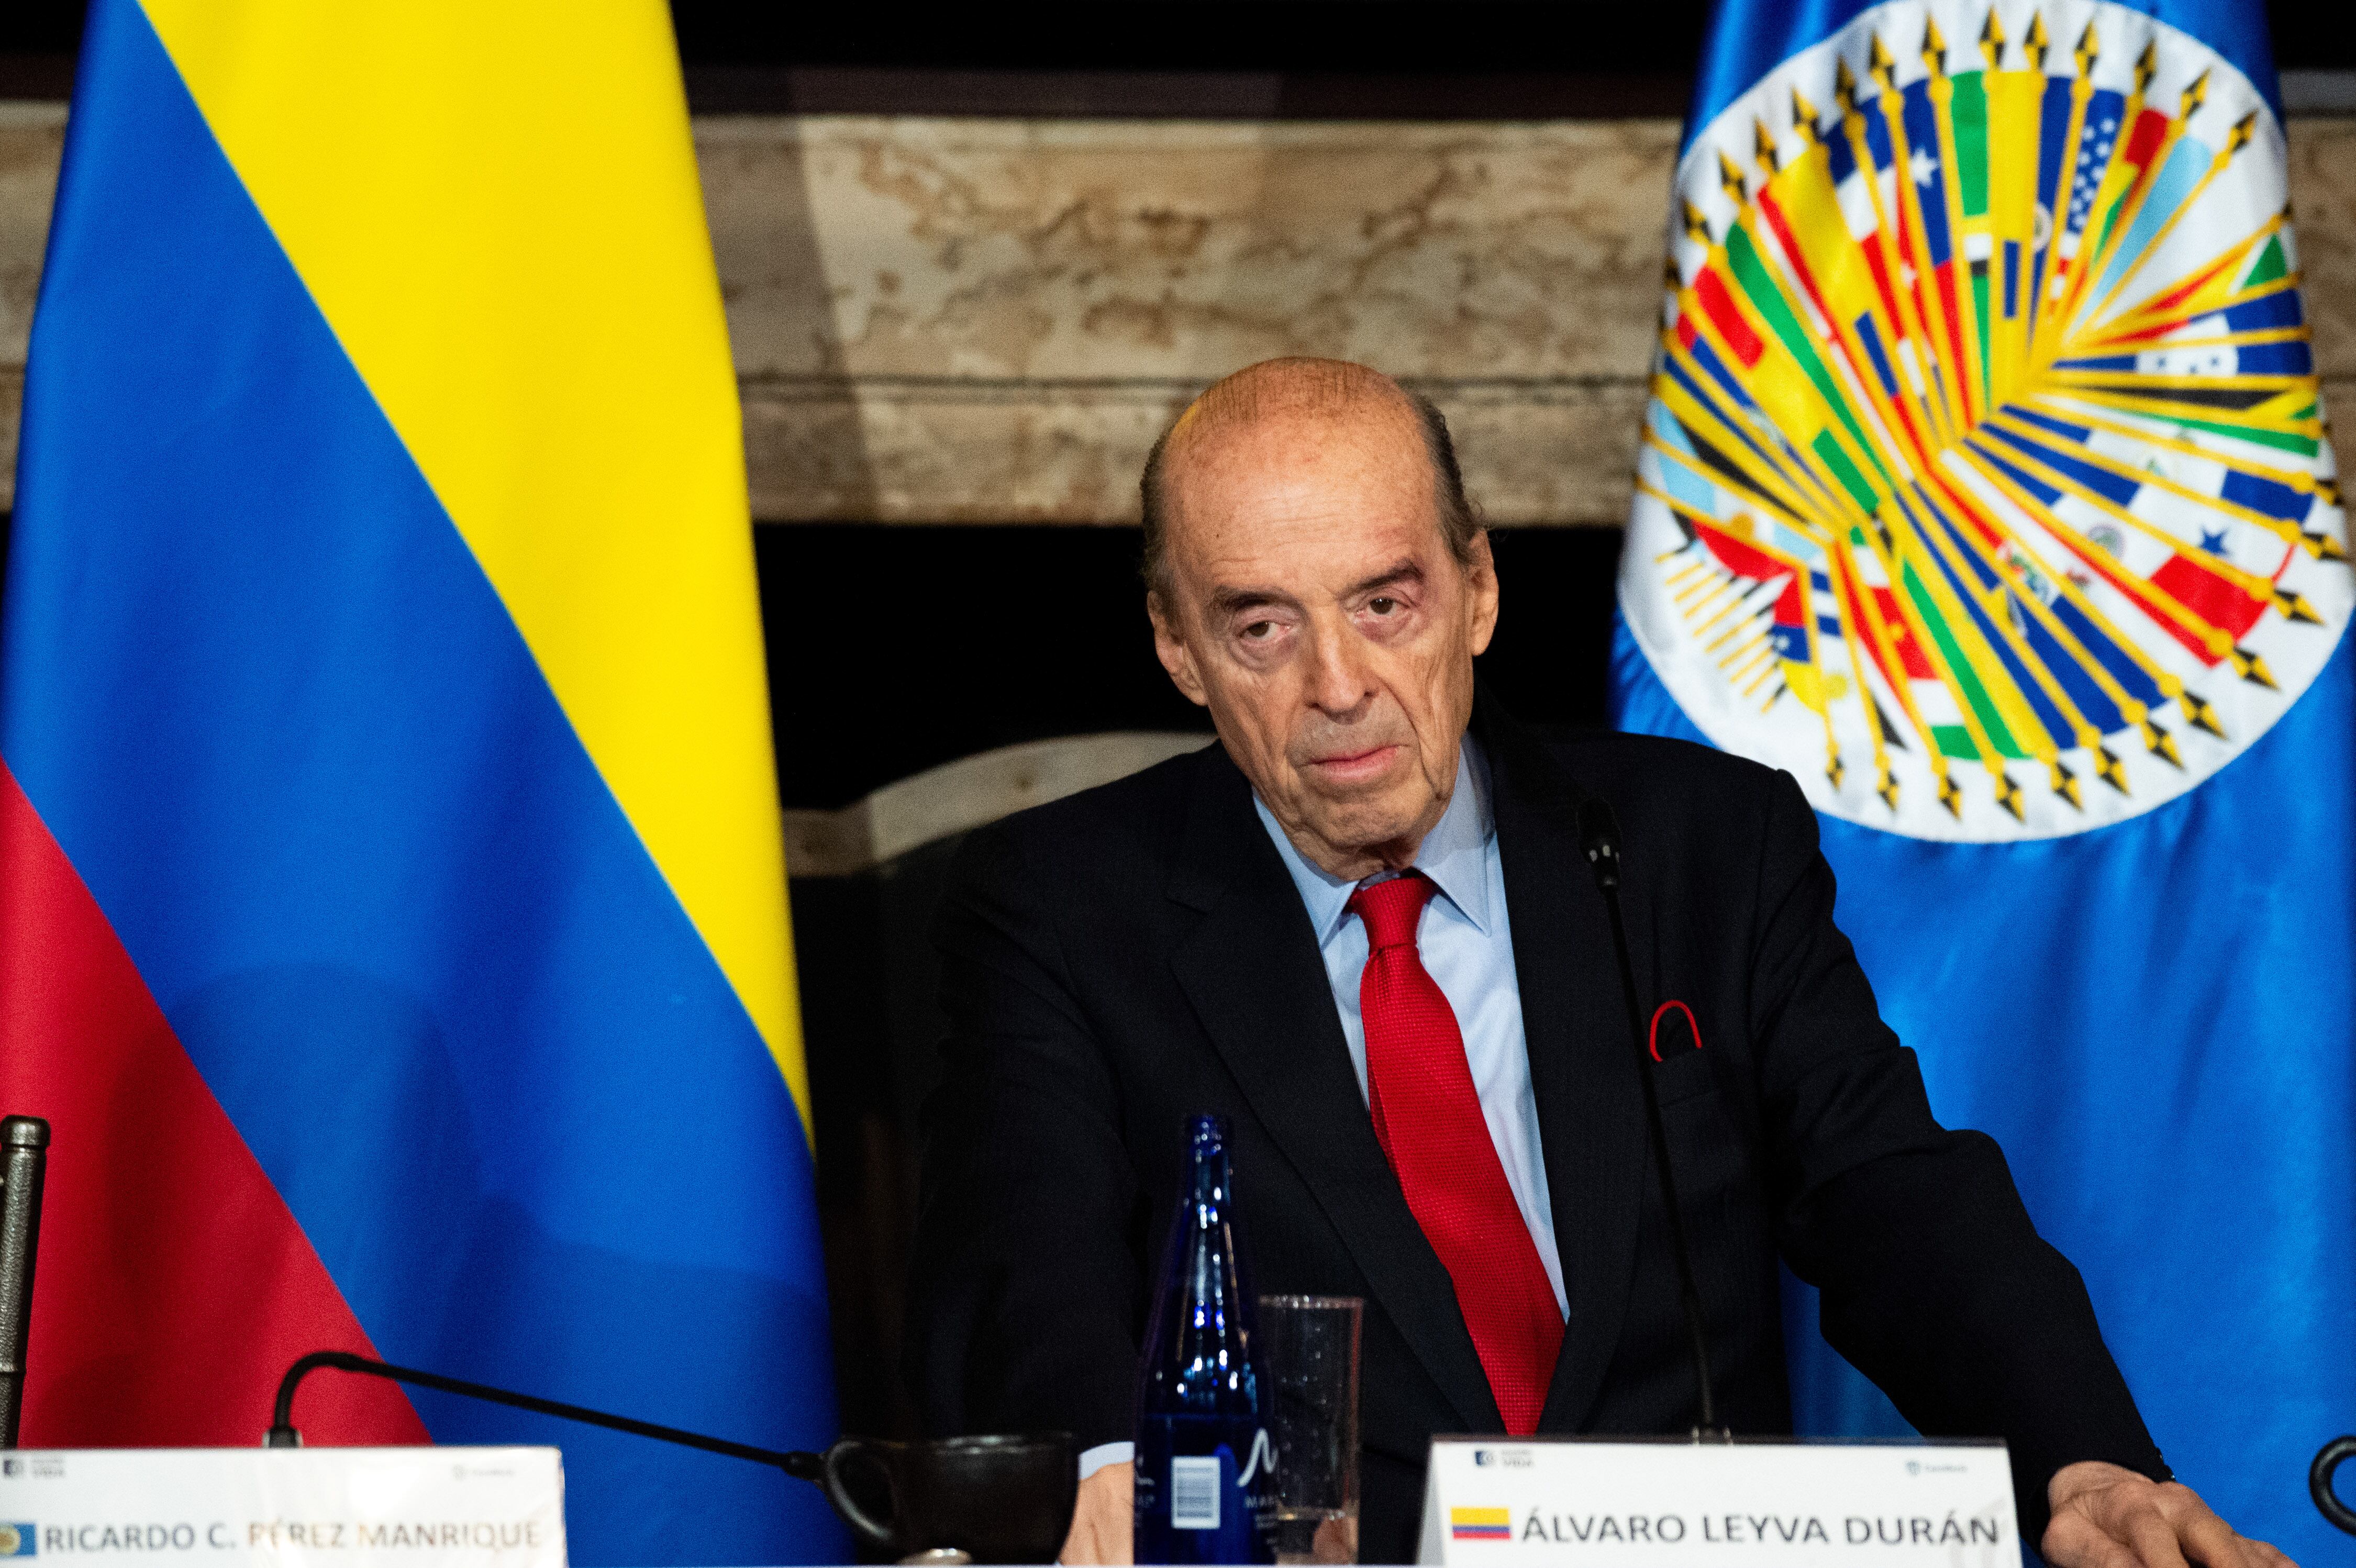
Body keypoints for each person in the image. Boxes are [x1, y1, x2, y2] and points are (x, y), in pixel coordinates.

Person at [904, 358, 2292, 1568]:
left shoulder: (1698, 847)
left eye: (1384, 603)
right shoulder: (1060, 906)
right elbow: (1028, 1254)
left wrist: (2082, 1460)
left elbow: (1888, 1189)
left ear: (1478, 589)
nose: (1336, 684)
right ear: (1177, 647)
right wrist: (1112, 1474)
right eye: (1261, 625)